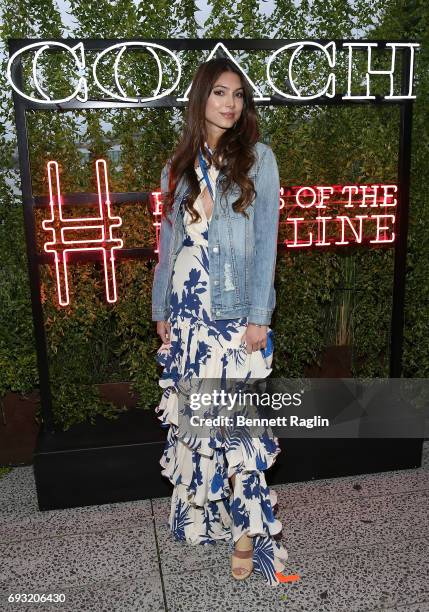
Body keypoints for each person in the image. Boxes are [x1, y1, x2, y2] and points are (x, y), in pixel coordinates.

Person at [151, 57, 287, 585]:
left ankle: (248, 533)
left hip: (233, 315)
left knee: (238, 426)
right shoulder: (177, 166)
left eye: (238, 95)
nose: (230, 103)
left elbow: (266, 243)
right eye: (220, 93)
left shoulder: (258, 160)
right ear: (201, 99)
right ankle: (205, 516)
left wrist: (259, 314)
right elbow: (168, 246)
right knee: (198, 422)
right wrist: (161, 309)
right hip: (187, 315)